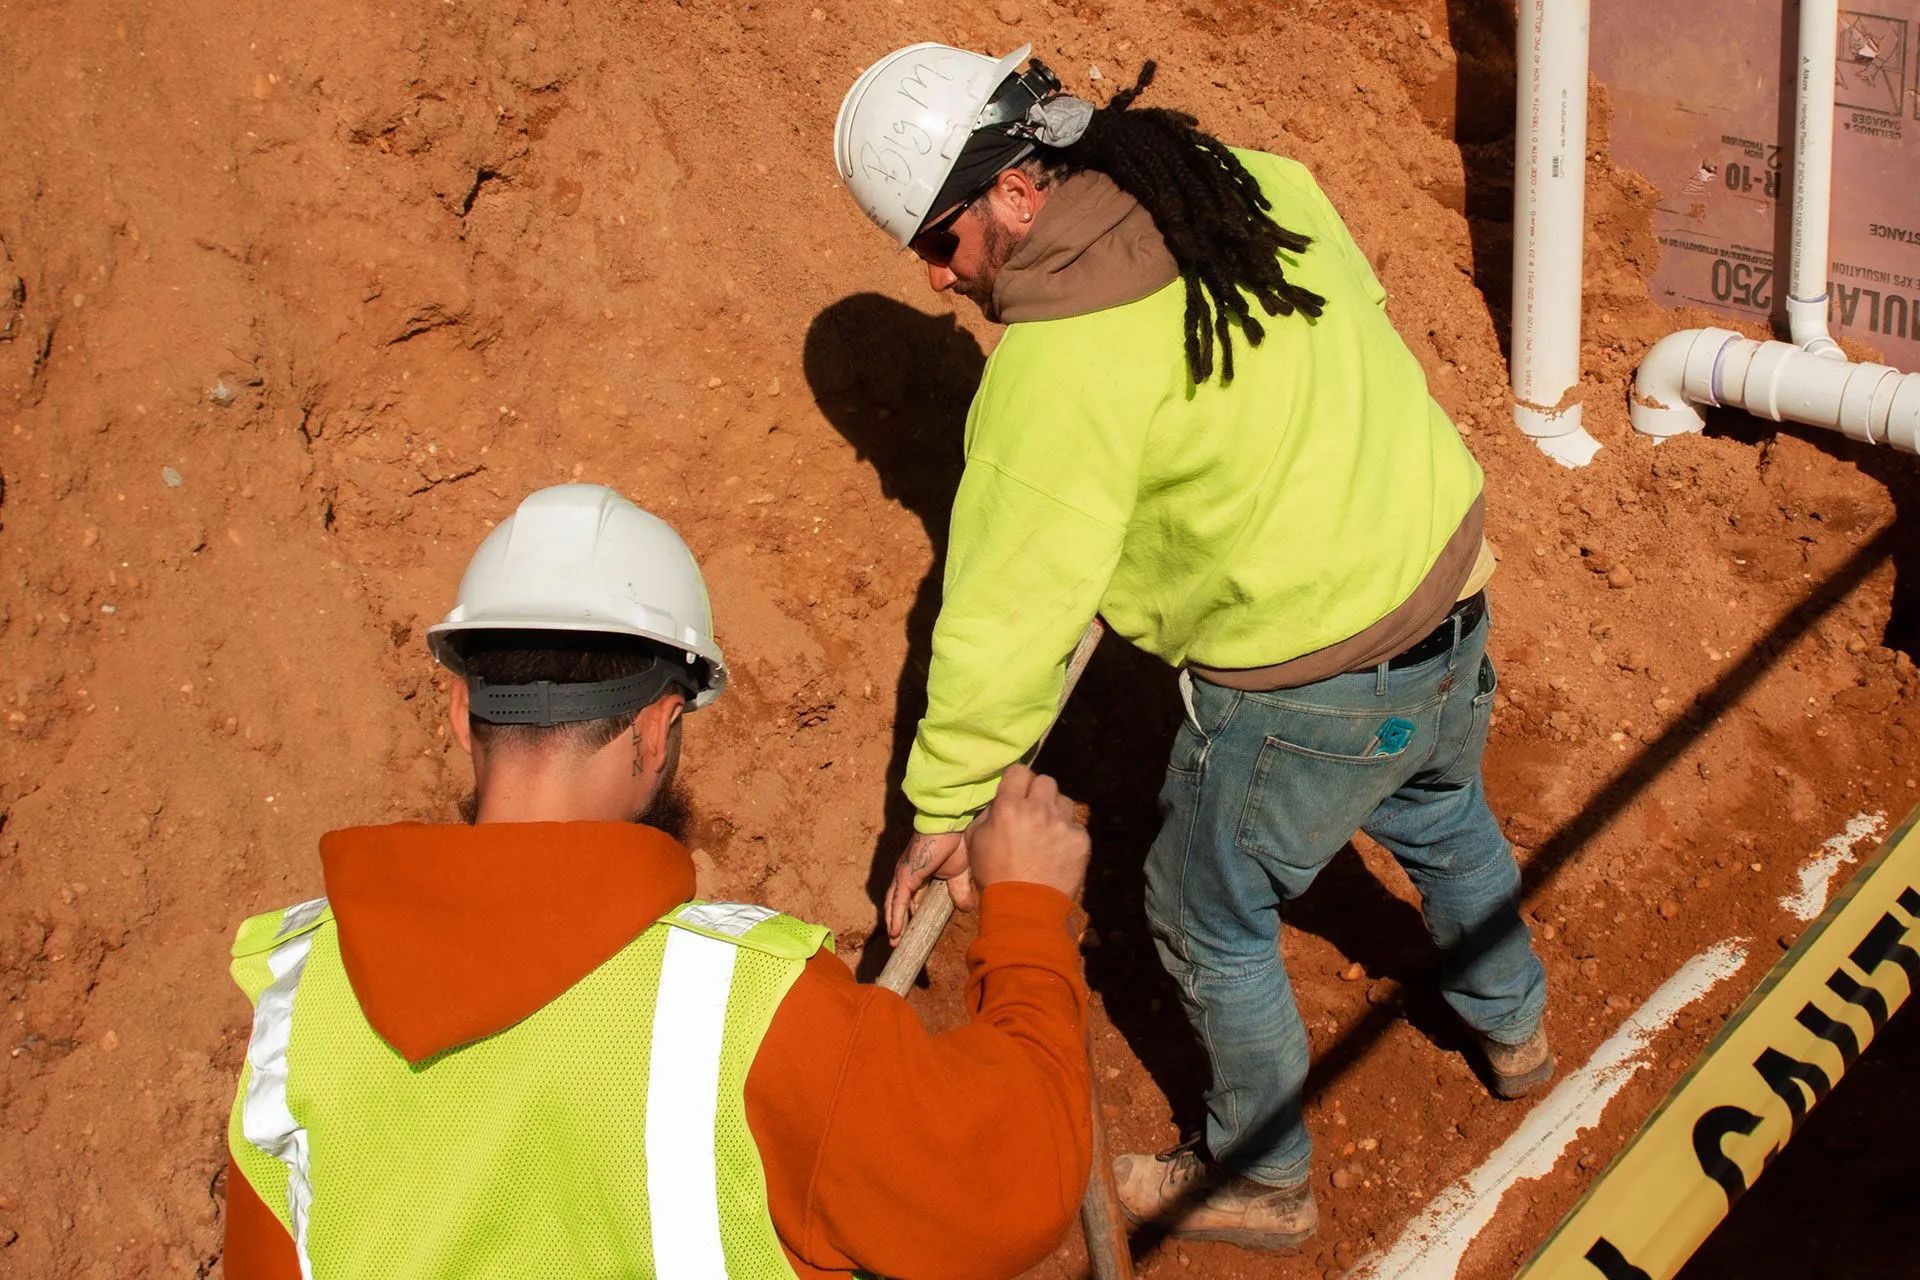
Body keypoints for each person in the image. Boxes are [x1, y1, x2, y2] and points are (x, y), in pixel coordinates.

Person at [834, 45, 1552, 1251]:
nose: (933, 273)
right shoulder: (1248, 184)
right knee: (1442, 811)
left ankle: (1263, 1177)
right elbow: (1345, 337)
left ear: (1015, 190)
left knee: (1199, 909)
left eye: (939, 238)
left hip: (1307, 683)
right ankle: (1515, 1025)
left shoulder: (1055, 375)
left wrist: (947, 803)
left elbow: (1006, 617)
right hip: (1448, 598)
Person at [218, 483, 1095, 1279]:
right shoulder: (754, 1011)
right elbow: (1008, 1190)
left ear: (459, 712)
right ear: (655, 728)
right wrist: (1027, 911)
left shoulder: (297, 1003)